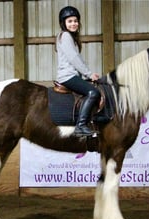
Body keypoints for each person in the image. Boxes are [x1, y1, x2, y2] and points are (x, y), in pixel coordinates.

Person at [56, 6, 101, 137]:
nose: (73, 24)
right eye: (70, 21)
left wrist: (88, 73)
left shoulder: (70, 37)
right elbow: (74, 58)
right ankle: (80, 126)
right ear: (63, 23)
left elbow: (78, 58)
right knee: (93, 92)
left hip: (73, 75)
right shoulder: (65, 36)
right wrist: (89, 74)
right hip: (67, 76)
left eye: (75, 21)